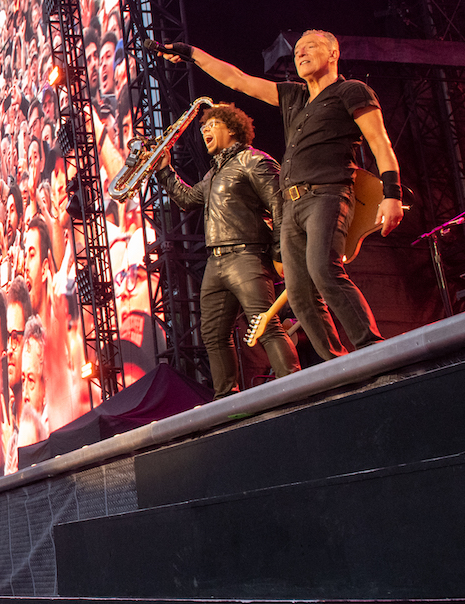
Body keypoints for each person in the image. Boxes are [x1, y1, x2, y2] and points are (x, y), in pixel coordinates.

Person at [163, 33, 403, 359]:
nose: (301, 54)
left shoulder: (351, 91)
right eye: (298, 50)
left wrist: (392, 194)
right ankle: (338, 364)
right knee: (301, 295)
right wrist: (192, 53)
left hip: (328, 194)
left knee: (324, 270)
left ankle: (374, 352)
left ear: (333, 53)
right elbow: (238, 80)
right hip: (292, 205)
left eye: (311, 48)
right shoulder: (294, 96)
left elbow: (380, 143)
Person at [156, 102, 301, 395]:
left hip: (247, 255)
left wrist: (280, 253)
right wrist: (164, 170)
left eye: (212, 125)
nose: (204, 130)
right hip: (216, 261)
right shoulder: (213, 174)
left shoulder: (254, 161)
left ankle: (295, 387)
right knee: (213, 334)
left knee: (267, 325)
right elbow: (186, 198)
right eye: (203, 127)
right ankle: (226, 400)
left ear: (232, 128)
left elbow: (279, 205)